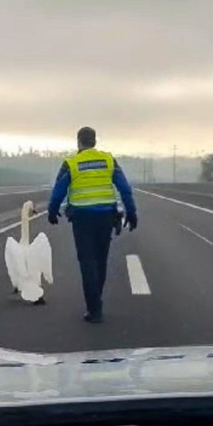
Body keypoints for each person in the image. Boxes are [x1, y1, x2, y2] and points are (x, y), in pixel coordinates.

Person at [47, 126, 137, 323]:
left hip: (82, 220)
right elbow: (124, 188)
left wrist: (52, 212)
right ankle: (97, 301)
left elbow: (58, 190)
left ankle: (94, 309)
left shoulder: (71, 163)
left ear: (78, 142)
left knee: (87, 262)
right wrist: (131, 212)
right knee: (100, 260)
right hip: (105, 217)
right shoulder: (108, 160)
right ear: (95, 141)